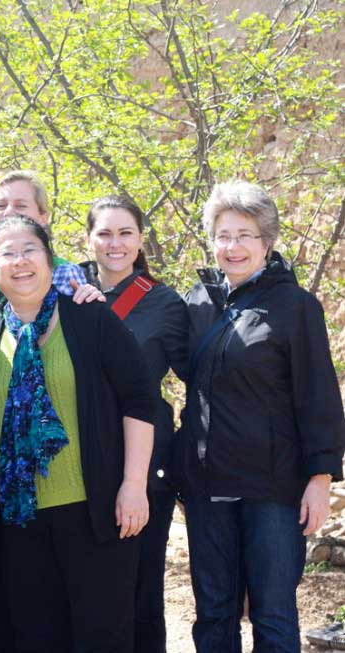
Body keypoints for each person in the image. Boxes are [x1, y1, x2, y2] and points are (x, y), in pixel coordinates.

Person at [176, 181, 345, 652]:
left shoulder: (296, 307)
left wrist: (321, 477)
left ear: (267, 242)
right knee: (213, 614)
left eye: (245, 235)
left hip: (273, 488)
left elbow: (319, 398)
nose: (232, 247)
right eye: (223, 235)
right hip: (208, 487)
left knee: (272, 614)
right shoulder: (197, 304)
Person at [0, 215, 156, 651]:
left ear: (49, 258)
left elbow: (139, 399)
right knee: (36, 636)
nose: (20, 262)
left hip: (93, 512)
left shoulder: (88, 316)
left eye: (30, 250)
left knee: (102, 636)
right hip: (20, 518)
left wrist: (134, 486)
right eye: (8, 253)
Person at [81, 196, 188, 653]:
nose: (115, 243)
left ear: (141, 239)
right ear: (88, 239)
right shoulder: (63, 291)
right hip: (80, 461)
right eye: (104, 233)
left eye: (126, 233)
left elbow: (199, 379)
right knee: (87, 592)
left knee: (141, 592)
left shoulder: (164, 303)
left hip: (145, 468)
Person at [0, 170, 95, 327]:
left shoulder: (64, 273)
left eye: (20, 205)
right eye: (1, 205)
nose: (8, 212)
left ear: (44, 217)